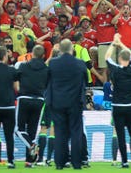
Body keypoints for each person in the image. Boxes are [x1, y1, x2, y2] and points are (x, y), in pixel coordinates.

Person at [45, 39, 87, 170]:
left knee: (60, 132)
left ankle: (59, 163)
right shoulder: (80, 64)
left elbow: (47, 81)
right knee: (76, 132)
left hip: (57, 102)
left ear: (60, 50)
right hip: (75, 102)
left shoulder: (53, 64)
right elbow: (85, 80)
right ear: (72, 49)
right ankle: (76, 163)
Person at [105, 34, 131, 168]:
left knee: (120, 135)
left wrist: (113, 43)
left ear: (120, 59)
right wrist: (120, 43)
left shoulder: (115, 70)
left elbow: (107, 57)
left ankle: (124, 162)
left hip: (118, 106)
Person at [15, 45, 49, 168]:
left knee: (18, 130)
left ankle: (32, 146)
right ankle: (29, 161)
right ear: (43, 56)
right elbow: (48, 84)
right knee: (32, 132)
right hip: (39, 100)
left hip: (24, 99)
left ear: (32, 54)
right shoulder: (46, 69)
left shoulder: (23, 65)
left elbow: (15, 77)